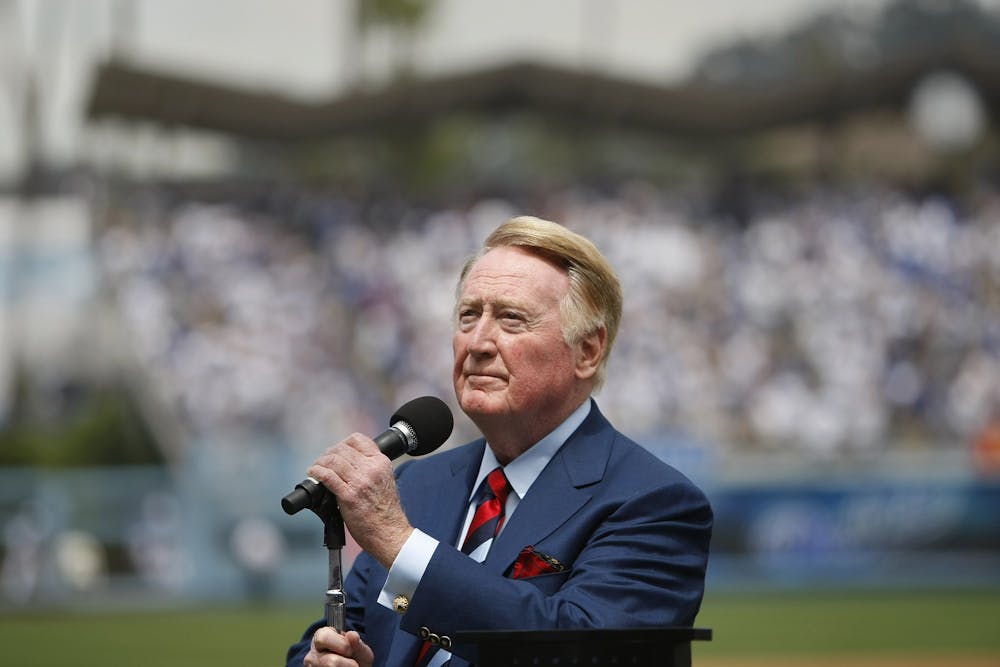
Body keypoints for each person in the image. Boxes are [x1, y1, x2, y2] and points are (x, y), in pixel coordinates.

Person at [287, 216, 713, 667]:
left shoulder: (654, 501)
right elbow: (332, 638)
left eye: (511, 319)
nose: (477, 343)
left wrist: (400, 544)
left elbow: (581, 649)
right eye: (468, 316)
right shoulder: (418, 485)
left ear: (587, 351)